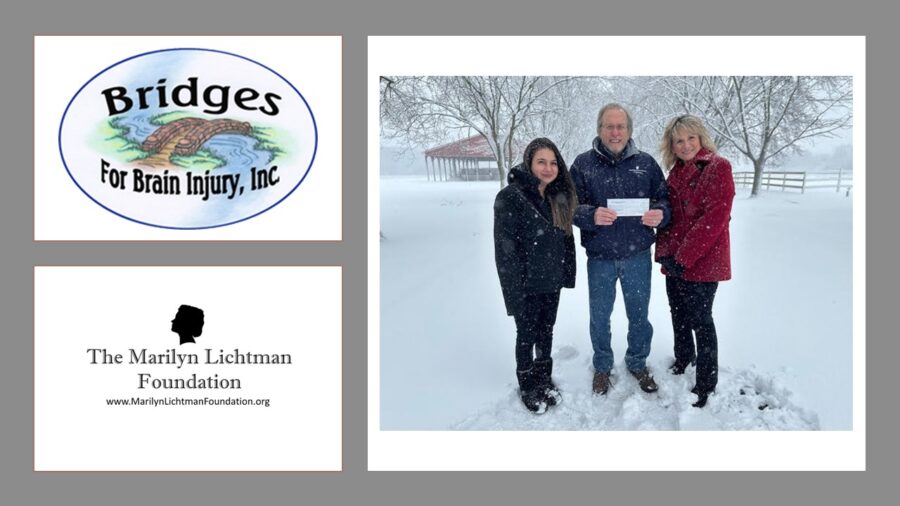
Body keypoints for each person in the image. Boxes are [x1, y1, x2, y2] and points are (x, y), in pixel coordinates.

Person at [570, 103, 670, 396]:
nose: (615, 132)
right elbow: (569, 207)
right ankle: (602, 366)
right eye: (609, 126)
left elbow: (664, 201)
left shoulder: (647, 164)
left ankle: (637, 361)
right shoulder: (583, 164)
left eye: (621, 126)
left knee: (639, 314)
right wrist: (590, 215)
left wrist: (660, 214)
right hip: (600, 258)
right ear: (599, 129)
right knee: (599, 316)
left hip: (637, 255)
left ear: (629, 130)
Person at [655, 114, 735, 408]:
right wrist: (664, 253)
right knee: (678, 314)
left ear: (701, 138)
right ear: (672, 146)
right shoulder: (674, 173)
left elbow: (713, 219)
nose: (686, 145)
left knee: (701, 320)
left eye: (691, 138)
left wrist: (683, 257)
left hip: (703, 261)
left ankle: (706, 380)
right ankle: (683, 357)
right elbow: (671, 220)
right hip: (675, 261)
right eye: (679, 140)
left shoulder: (717, 167)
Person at [494, 137, 577, 414]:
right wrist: (513, 292)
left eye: (553, 162)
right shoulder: (511, 197)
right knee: (526, 333)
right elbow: (505, 252)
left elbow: (566, 239)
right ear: (529, 163)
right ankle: (527, 383)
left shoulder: (558, 196)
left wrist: (566, 275)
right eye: (541, 161)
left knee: (546, 331)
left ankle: (544, 376)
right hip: (525, 284)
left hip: (551, 282)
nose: (548, 168)